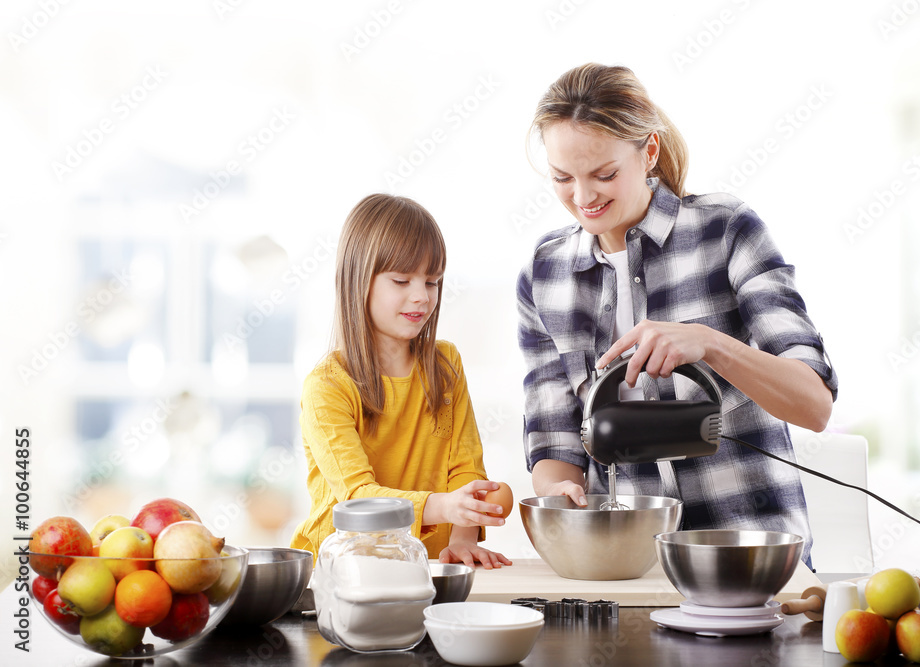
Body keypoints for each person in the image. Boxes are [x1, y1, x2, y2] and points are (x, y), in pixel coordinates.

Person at [517, 63, 838, 565]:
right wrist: (562, 496)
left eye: (604, 174)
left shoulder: (727, 231)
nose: (582, 198)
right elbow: (556, 436)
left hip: (748, 556)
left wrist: (710, 344)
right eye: (562, 178)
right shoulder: (545, 274)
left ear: (648, 151)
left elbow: (813, 405)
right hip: (626, 564)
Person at [292, 193, 511, 569]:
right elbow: (358, 499)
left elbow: (465, 466)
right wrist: (445, 507)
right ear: (358, 280)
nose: (421, 297)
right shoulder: (327, 387)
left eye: (432, 281)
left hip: (423, 572)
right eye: (401, 280)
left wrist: (461, 539)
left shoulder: (445, 366)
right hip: (338, 575)